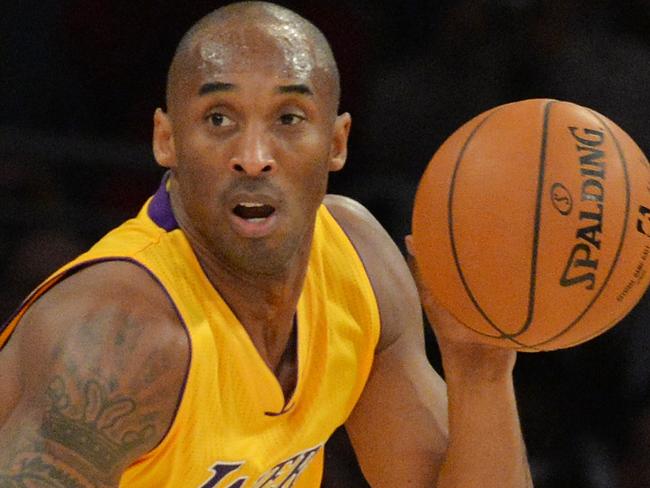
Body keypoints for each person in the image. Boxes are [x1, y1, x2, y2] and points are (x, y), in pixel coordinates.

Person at [0, 2, 533, 487]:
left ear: (337, 143)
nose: (254, 156)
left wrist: (479, 368)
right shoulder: (117, 339)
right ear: (167, 140)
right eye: (219, 119)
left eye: (289, 119)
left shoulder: (357, 263)